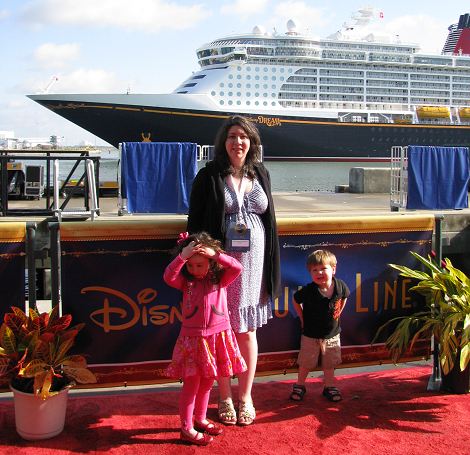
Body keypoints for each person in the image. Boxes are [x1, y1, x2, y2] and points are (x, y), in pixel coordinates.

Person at [187, 115, 281, 426]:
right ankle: (224, 394)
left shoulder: (260, 173)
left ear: (252, 142)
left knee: (247, 331)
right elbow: (196, 221)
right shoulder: (208, 175)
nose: (237, 142)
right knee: (220, 331)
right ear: (223, 143)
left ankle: (246, 396)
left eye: (243, 136)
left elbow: (270, 220)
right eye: (231, 136)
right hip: (222, 265)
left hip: (254, 265)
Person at [164, 231, 247, 446]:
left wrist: (217, 254)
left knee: (208, 384)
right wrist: (183, 257)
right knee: (191, 385)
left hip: (218, 337)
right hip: (194, 339)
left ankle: (200, 419)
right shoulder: (186, 282)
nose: (194, 270)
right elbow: (168, 277)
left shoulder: (221, 279)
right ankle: (186, 428)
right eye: (191, 265)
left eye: (200, 265)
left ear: (211, 263)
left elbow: (237, 267)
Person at [290, 249, 350, 403]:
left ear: (333, 269)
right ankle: (300, 385)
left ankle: (329, 386)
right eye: (314, 270)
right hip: (310, 335)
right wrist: (302, 318)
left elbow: (344, 297)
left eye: (323, 268)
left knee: (329, 364)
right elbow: (296, 300)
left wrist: (338, 312)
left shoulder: (340, 286)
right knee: (305, 363)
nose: (319, 273)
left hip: (332, 335)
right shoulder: (309, 290)